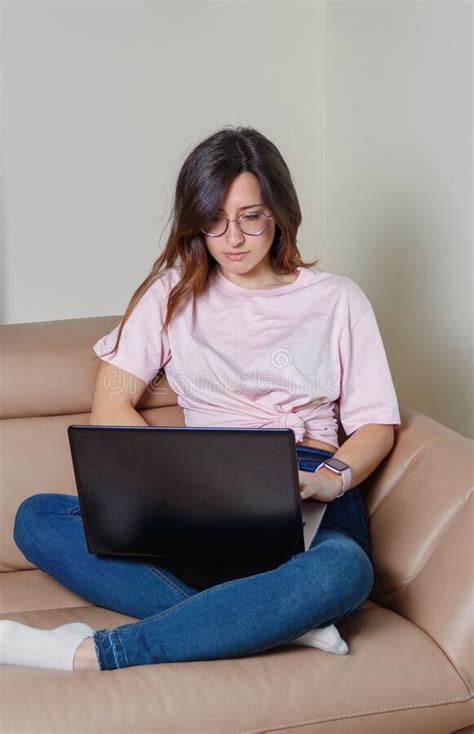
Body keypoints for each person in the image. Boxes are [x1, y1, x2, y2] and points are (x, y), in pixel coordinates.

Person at [3, 126, 400, 672]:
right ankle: (275, 619)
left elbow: (377, 424)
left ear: (280, 211)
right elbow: (111, 401)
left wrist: (331, 476)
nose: (232, 238)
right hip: (203, 491)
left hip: (308, 482)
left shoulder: (338, 300)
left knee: (344, 572)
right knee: (36, 519)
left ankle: (99, 652)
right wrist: (170, 485)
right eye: (214, 220)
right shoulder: (169, 294)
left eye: (250, 217)